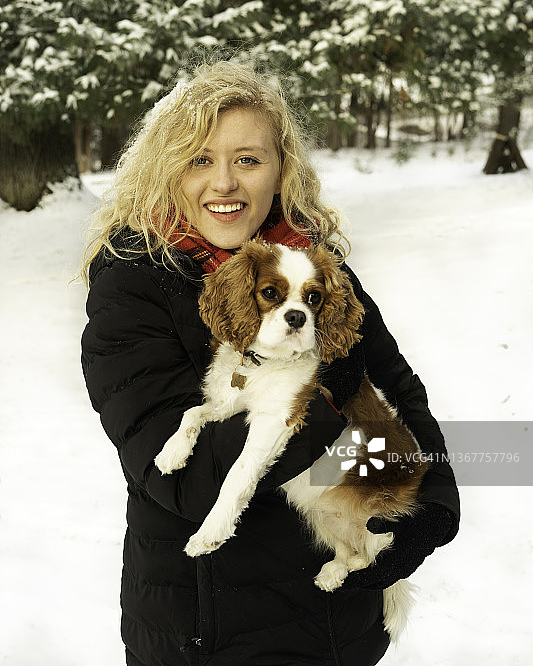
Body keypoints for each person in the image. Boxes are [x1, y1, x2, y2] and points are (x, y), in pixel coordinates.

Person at [81, 60, 460, 666]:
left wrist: (434, 499)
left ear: (281, 170)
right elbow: (181, 479)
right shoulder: (134, 286)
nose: (224, 183)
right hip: (210, 632)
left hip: (338, 625)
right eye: (199, 158)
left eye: (248, 159)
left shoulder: (314, 272)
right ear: (167, 169)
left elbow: (397, 389)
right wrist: (329, 407)